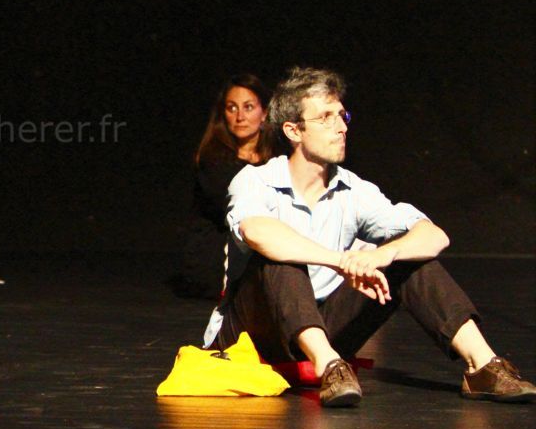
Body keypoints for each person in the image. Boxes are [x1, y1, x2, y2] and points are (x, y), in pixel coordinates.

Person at [212, 66, 535, 407]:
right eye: (326, 117)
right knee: (280, 256)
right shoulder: (255, 180)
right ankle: (329, 365)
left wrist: (383, 255)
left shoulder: (354, 190)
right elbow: (257, 232)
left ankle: (482, 366)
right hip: (252, 334)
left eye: (342, 116)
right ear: (293, 130)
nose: (341, 127)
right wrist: (340, 262)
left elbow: (434, 236)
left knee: (410, 258)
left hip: (321, 326)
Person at [173, 74, 277, 302]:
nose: (240, 116)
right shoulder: (213, 159)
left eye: (248, 107)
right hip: (217, 256)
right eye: (232, 108)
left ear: (264, 113)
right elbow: (236, 213)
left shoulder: (277, 157)